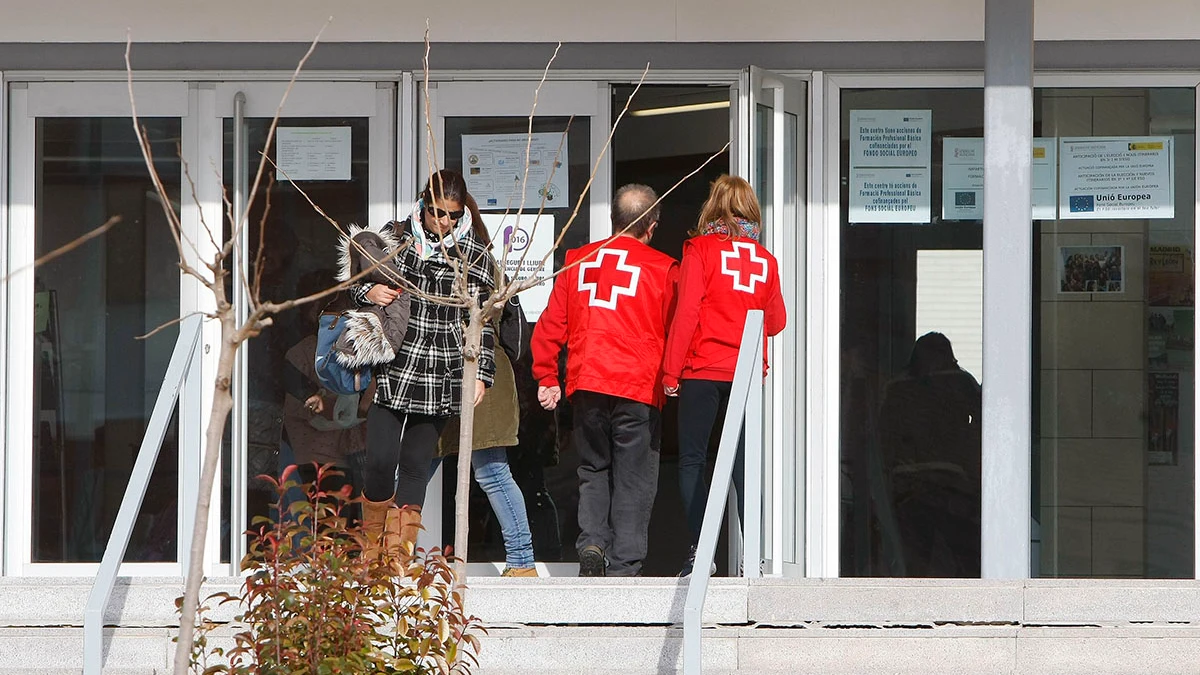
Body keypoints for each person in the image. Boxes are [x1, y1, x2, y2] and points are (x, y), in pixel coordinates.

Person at [531, 183, 679, 577]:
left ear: (614, 220)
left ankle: (592, 543)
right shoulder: (664, 269)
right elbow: (677, 331)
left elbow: (549, 325)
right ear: (651, 226)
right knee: (634, 477)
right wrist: (674, 376)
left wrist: (548, 375)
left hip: (588, 384)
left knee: (593, 470)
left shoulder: (577, 260)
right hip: (638, 388)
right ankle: (625, 565)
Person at [349, 169, 497, 559]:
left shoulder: (475, 253)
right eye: (436, 212)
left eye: (452, 214)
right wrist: (370, 289)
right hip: (396, 363)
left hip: (443, 367)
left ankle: (397, 558)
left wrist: (481, 374)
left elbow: (482, 320)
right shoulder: (395, 237)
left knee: (416, 464)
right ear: (421, 203)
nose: (444, 222)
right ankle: (370, 551)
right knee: (380, 462)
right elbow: (357, 279)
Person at [661, 175, 787, 576]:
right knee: (743, 467)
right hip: (746, 374)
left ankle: (701, 552)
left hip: (701, 368)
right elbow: (777, 321)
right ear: (751, 209)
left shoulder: (699, 249)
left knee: (693, 462)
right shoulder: (765, 260)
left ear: (714, 206)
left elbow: (688, 312)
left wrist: (670, 370)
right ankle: (756, 556)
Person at [430, 214, 538, 578]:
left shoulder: (476, 261)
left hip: (481, 375)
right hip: (449, 375)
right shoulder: (447, 257)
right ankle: (392, 559)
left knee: (490, 470)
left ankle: (522, 561)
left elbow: (486, 322)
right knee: (418, 465)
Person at [878, 332, 981, 577]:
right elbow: (984, 425)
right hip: (954, 481)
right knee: (963, 555)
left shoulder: (896, 386)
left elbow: (884, 437)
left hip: (906, 484)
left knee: (916, 558)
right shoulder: (962, 382)